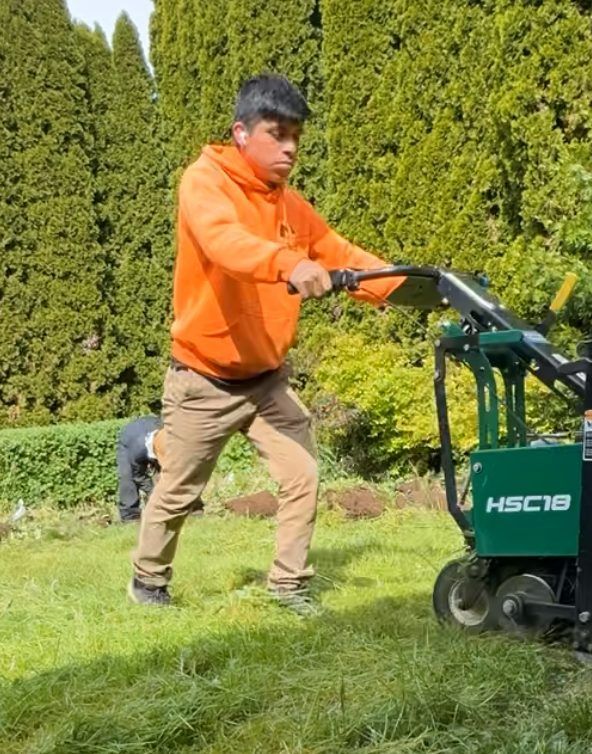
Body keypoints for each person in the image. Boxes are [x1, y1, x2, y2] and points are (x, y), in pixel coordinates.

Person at [129, 74, 401, 613]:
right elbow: (225, 242)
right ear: (241, 132)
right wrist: (287, 263)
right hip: (204, 377)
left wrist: (404, 284)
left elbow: (337, 251)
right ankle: (148, 582)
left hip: (267, 379)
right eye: (277, 134)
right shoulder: (203, 182)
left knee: (302, 474)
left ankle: (288, 585)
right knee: (179, 489)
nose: (290, 147)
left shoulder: (289, 205)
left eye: (296, 136)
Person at [116, 416, 204, 522]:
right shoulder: (137, 452)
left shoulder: (172, 438)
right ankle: (131, 517)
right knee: (127, 477)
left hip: (153, 427)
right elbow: (138, 475)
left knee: (179, 473)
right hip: (129, 439)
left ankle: (194, 508)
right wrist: (152, 491)